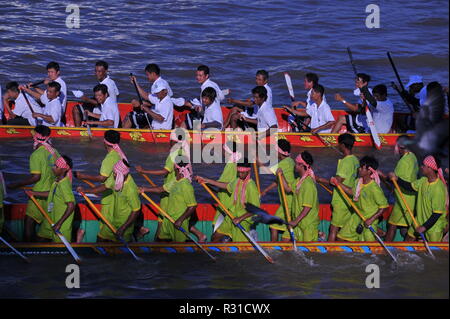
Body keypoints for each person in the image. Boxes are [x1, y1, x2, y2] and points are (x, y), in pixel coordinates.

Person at [7, 125, 60, 241]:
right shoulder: (54, 151)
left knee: (29, 221)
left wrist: (16, 185)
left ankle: (28, 247)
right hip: (52, 193)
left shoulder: (36, 155)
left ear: (37, 137)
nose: (32, 138)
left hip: (39, 193)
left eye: (33, 136)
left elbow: (36, 177)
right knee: (46, 222)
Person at [135, 131, 190, 238]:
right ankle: (159, 239)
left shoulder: (174, 153)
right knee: (163, 216)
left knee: (163, 215)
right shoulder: (183, 151)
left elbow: (165, 171)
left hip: (170, 188)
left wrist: (144, 171)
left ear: (172, 141)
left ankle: (159, 240)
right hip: (176, 187)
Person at [139, 157, 206, 242]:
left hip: (178, 221)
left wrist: (180, 220)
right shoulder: (175, 181)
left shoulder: (186, 186)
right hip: (168, 218)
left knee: (179, 246)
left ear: (176, 168)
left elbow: (193, 206)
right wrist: (144, 189)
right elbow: (160, 189)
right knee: (161, 239)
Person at [74, 130, 125, 242]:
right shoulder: (119, 154)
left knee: (105, 230)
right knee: (111, 226)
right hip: (118, 195)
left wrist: (82, 176)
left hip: (109, 198)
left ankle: (103, 249)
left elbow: (102, 179)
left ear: (105, 142)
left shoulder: (109, 158)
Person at [195, 159, 260, 242]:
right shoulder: (237, 181)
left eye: (242, 173)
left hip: (243, 220)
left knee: (240, 249)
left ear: (248, 172)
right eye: (238, 172)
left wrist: (240, 218)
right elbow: (226, 185)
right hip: (231, 216)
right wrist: (206, 180)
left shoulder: (251, 186)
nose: (240, 175)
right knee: (215, 237)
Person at [78, 159, 141, 242]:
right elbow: (104, 187)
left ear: (123, 175)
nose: (113, 175)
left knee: (121, 246)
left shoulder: (131, 190)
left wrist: (123, 228)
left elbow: (136, 210)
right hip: (113, 219)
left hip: (124, 223)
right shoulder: (116, 177)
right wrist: (85, 191)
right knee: (101, 237)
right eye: (114, 173)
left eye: (115, 174)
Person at [389, 155, 448, 242]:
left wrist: (424, 227)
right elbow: (409, 187)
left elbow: (437, 214)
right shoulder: (423, 181)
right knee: (408, 240)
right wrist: (397, 179)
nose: (421, 167)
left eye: (423, 165)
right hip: (418, 220)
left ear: (430, 168)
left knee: (435, 253)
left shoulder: (438, 188)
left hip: (434, 227)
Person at [333, 156, 389, 241]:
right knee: (340, 237)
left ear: (369, 171)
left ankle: (379, 234)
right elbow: (351, 191)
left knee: (368, 245)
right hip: (357, 216)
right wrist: (337, 183)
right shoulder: (358, 182)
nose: (359, 169)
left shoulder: (374, 188)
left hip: (369, 219)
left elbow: (384, 207)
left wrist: (371, 219)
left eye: (362, 168)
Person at [315, 133, 359, 241]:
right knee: (343, 227)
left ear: (343, 145)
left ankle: (331, 252)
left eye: (339, 144)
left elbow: (336, 182)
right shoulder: (355, 160)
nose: (338, 146)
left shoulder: (346, 161)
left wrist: (319, 179)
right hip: (350, 199)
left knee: (333, 228)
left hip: (341, 200)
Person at [25, 155, 75, 242]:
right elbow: (51, 193)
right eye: (54, 166)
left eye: (56, 167)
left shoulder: (64, 185)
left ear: (64, 169)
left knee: (60, 249)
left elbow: (71, 205)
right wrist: (33, 193)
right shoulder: (56, 181)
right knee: (40, 238)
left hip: (60, 223)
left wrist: (59, 224)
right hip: (50, 219)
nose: (53, 168)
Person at [379, 135, 418, 241]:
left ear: (400, 146)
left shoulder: (404, 162)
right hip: (411, 199)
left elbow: (395, 181)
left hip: (403, 199)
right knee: (404, 227)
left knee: (392, 225)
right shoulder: (413, 156)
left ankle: (386, 250)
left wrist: (382, 175)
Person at [277, 151, 320, 241]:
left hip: (307, 225)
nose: (294, 166)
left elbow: (307, 208)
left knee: (307, 253)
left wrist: (295, 221)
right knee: (284, 239)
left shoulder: (308, 184)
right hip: (298, 223)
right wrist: (281, 175)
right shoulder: (299, 181)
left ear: (301, 165)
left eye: (296, 164)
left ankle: (319, 234)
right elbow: (288, 189)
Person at [259, 139, 295, 241]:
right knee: (286, 229)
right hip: (287, 201)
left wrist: (255, 158)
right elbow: (278, 180)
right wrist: (266, 190)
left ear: (279, 152)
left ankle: (273, 248)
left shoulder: (283, 164)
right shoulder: (290, 161)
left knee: (273, 226)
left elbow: (264, 170)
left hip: (288, 202)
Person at [124, 64, 178, 129]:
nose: (147, 77)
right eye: (156, 92)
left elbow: (160, 117)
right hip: (157, 115)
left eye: (147, 75)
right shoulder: (159, 95)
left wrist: (146, 108)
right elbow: (149, 97)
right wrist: (135, 84)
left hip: (161, 123)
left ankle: (121, 133)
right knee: (131, 113)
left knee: (131, 117)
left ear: (153, 74)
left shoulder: (161, 87)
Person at [72, 60, 119, 126]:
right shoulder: (111, 81)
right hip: (108, 108)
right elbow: (117, 94)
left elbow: (99, 103)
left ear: (105, 71)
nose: (97, 73)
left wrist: (86, 99)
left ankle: (78, 130)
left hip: (105, 110)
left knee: (76, 108)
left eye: (99, 71)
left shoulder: (106, 86)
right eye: (96, 71)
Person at [211, 141, 241, 242]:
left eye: (223, 149)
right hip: (225, 202)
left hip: (227, 206)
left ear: (227, 151)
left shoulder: (231, 165)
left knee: (215, 237)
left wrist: (207, 181)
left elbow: (226, 185)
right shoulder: (233, 163)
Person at [184, 65, 225, 129]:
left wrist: (193, 106)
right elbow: (222, 97)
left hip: (211, 124)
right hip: (209, 112)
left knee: (188, 117)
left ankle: (188, 135)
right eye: (197, 75)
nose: (198, 77)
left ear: (206, 76)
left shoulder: (205, 87)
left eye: (200, 75)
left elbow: (218, 123)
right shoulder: (213, 83)